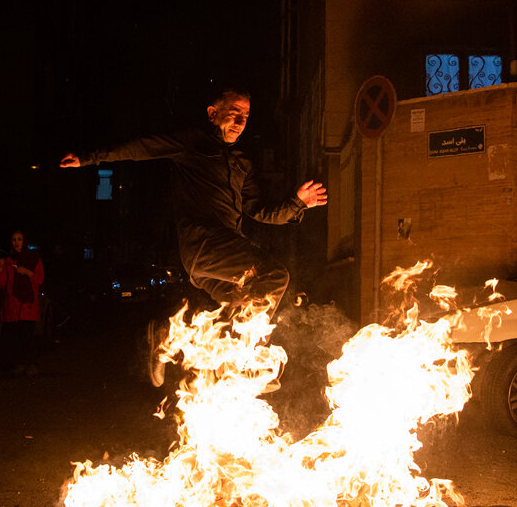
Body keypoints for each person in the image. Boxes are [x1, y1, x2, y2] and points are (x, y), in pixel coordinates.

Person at [61, 88, 328, 389]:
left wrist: (298, 202)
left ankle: (167, 340)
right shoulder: (192, 144)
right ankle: (249, 361)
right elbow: (142, 147)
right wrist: (88, 158)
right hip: (204, 244)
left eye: (246, 116)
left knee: (236, 309)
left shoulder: (243, 164)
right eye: (234, 113)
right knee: (275, 276)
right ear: (213, 114)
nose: (241, 121)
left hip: (216, 263)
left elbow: (259, 211)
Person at [0, 230, 45, 376]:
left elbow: (40, 279)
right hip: (13, 304)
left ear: (24, 241)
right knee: (15, 337)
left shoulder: (33, 258)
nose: (17, 242)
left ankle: (30, 363)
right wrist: (0, 268)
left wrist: (27, 272)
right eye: (14, 240)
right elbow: (2, 283)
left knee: (27, 335)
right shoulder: (9, 260)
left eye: (19, 239)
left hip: (27, 304)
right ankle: (19, 364)